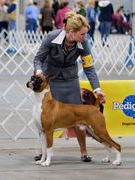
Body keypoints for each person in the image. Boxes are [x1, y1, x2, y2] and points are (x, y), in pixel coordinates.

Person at [32, 11, 106, 162]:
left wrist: (97, 89)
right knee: (45, 119)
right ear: (71, 33)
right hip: (50, 80)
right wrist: (39, 72)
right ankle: (43, 152)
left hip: (70, 80)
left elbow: (89, 67)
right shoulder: (52, 37)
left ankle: (84, 152)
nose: (85, 37)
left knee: (78, 118)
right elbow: (38, 58)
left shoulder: (83, 43)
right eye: (83, 34)